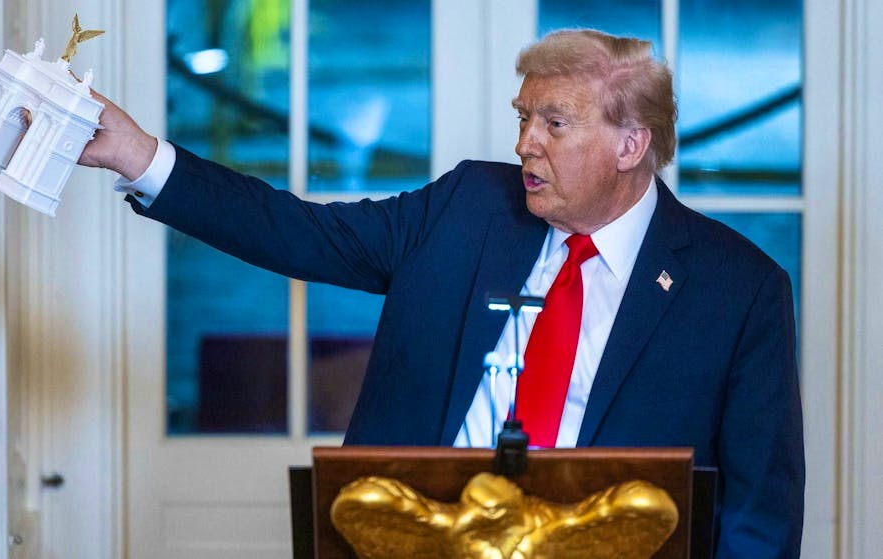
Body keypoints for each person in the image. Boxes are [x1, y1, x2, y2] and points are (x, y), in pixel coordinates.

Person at [80, 29, 804, 558]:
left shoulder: (736, 289)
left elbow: (759, 518)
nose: (526, 143)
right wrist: (139, 156)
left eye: (555, 123)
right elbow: (299, 232)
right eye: (524, 119)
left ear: (630, 145)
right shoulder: (467, 208)